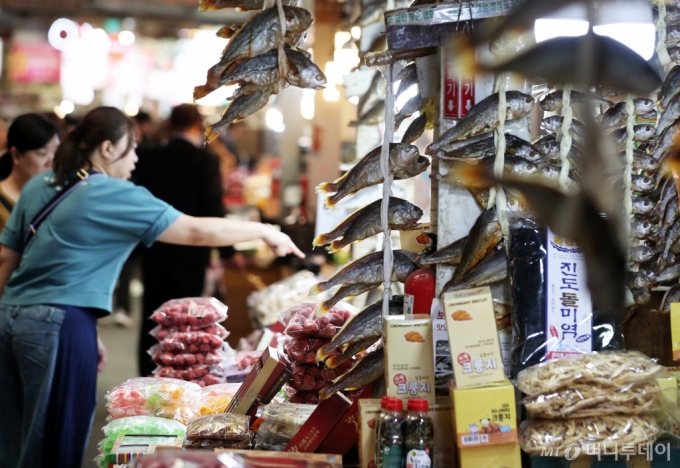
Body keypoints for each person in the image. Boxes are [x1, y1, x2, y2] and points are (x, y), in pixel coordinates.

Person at [0, 106, 303, 468]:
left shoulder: (39, 184)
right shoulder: (114, 193)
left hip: (12, 319)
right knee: (54, 439)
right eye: (131, 148)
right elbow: (193, 231)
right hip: (60, 325)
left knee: (11, 437)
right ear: (108, 150)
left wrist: (86, 327)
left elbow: (9, 258)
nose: (136, 158)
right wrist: (265, 231)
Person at [134, 104, 246, 376]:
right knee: (187, 319)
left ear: (171, 125)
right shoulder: (205, 160)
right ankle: (181, 376)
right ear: (198, 126)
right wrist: (228, 251)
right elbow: (213, 210)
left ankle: (148, 377)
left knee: (154, 315)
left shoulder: (150, 156)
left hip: (155, 249)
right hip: (192, 254)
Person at [0, 114, 59, 233]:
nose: (52, 162)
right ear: (16, 155)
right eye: (42, 154)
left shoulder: (60, 195)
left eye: (56, 151)